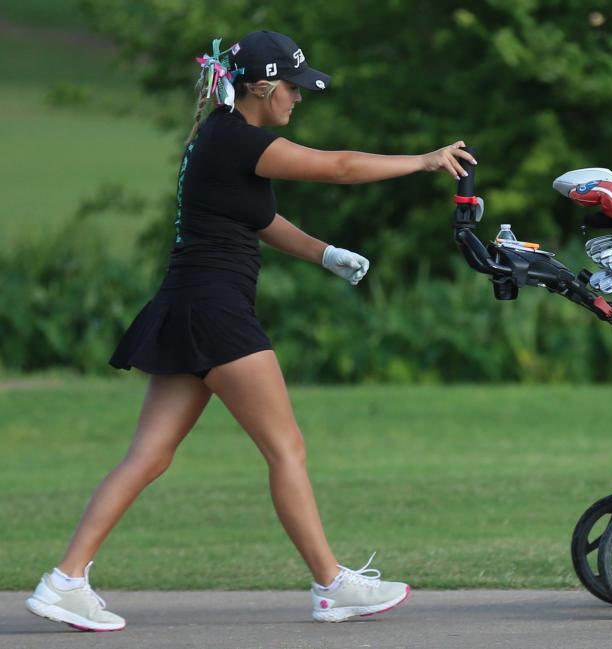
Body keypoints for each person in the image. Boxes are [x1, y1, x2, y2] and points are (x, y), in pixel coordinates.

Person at [25, 30, 476, 631]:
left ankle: (65, 580)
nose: (298, 98)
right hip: (217, 312)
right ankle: (331, 584)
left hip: (188, 305)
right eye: (293, 88)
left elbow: (259, 219)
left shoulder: (221, 138)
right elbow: (337, 167)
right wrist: (422, 160)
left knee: (149, 455)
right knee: (284, 447)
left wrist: (325, 253)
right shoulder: (240, 139)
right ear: (263, 88)